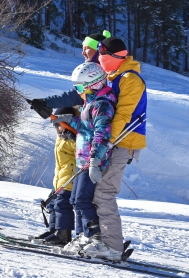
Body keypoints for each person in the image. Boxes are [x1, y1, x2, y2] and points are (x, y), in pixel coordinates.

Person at [81, 37, 147, 261]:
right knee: (95, 191)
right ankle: (99, 239)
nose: (99, 59)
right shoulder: (113, 76)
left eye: (103, 56)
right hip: (113, 141)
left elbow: (122, 115)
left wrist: (107, 142)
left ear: (115, 57)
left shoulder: (130, 79)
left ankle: (112, 246)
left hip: (123, 141)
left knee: (104, 192)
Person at [59, 62, 116, 256]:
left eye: (81, 87)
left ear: (95, 83)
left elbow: (102, 133)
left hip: (92, 161)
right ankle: (83, 235)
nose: (78, 91)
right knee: (75, 199)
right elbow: (86, 127)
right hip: (83, 160)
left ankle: (95, 236)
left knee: (82, 199)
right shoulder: (91, 102)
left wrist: (94, 161)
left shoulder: (102, 104)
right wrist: (66, 120)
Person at [28, 31, 111, 115]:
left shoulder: (108, 71)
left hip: (103, 114)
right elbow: (77, 94)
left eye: (87, 48)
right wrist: (46, 102)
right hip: (92, 107)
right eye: (83, 48)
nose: (83, 53)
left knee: (65, 113)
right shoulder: (91, 69)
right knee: (62, 112)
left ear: (98, 50)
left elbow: (76, 96)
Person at [36, 107, 79, 246]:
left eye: (58, 124)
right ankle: (54, 230)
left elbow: (82, 151)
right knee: (53, 204)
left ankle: (63, 234)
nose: (56, 127)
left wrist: (74, 138)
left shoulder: (74, 137)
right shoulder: (61, 137)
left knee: (62, 205)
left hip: (70, 179)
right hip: (60, 179)